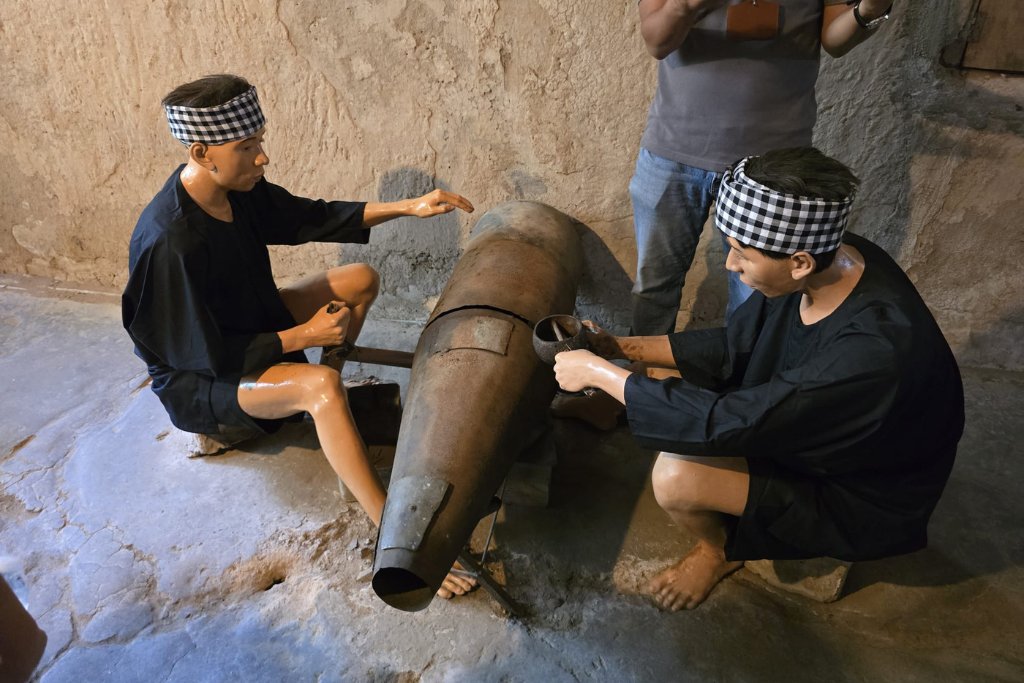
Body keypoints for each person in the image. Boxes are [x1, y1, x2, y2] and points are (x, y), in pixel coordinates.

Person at [554, 147, 964, 611]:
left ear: (800, 262)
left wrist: (596, 372)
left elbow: (726, 420)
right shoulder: (841, 255)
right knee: (661, 372)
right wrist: (621, 350)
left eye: (742, 254)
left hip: (856, 487)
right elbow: (737, 344)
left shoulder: (871, 355)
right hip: (807, 418)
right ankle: (617, 400)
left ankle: (719, 552)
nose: (731, 265)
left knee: (675, 476)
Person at [122, 74, 476, 599]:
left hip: (253, 325)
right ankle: (390, 531)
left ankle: (319, 410)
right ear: (201, 152)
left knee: (360, 279)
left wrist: (408, 207)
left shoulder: (235, 192)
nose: (262, 157)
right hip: (202, 382)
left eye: (259, 142)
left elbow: (310, 216)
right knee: (321, 389)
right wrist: (302, 336)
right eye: (247, 147)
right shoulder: (170, 241)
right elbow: (204, 355)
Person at [632, 0, 895, 333]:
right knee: (654, 287)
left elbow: (834, 41)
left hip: (774, 166)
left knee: (757, 299)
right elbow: (657, 41)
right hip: (674, 152)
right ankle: (637, 372)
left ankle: (745, 379)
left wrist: (867, 12)